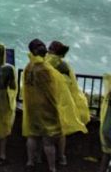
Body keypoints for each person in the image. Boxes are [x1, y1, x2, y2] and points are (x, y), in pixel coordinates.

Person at [21, 39, 86, 172]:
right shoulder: (47, 68)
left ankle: (31, 162)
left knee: (32, 135)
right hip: (47, 107)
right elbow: (54, 89)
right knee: (50, 140)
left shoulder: (29, 66)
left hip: (33, 107)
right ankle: (53, 166)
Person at [47, 41, 90, 167]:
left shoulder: (51, 63)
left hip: (52, 102)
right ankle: (61, 157)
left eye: (50, 48)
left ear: (54, 50)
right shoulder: (65, 65)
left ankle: (44, 159)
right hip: (63, 104)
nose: (47, 50)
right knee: (61, 132)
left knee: (47, 133)